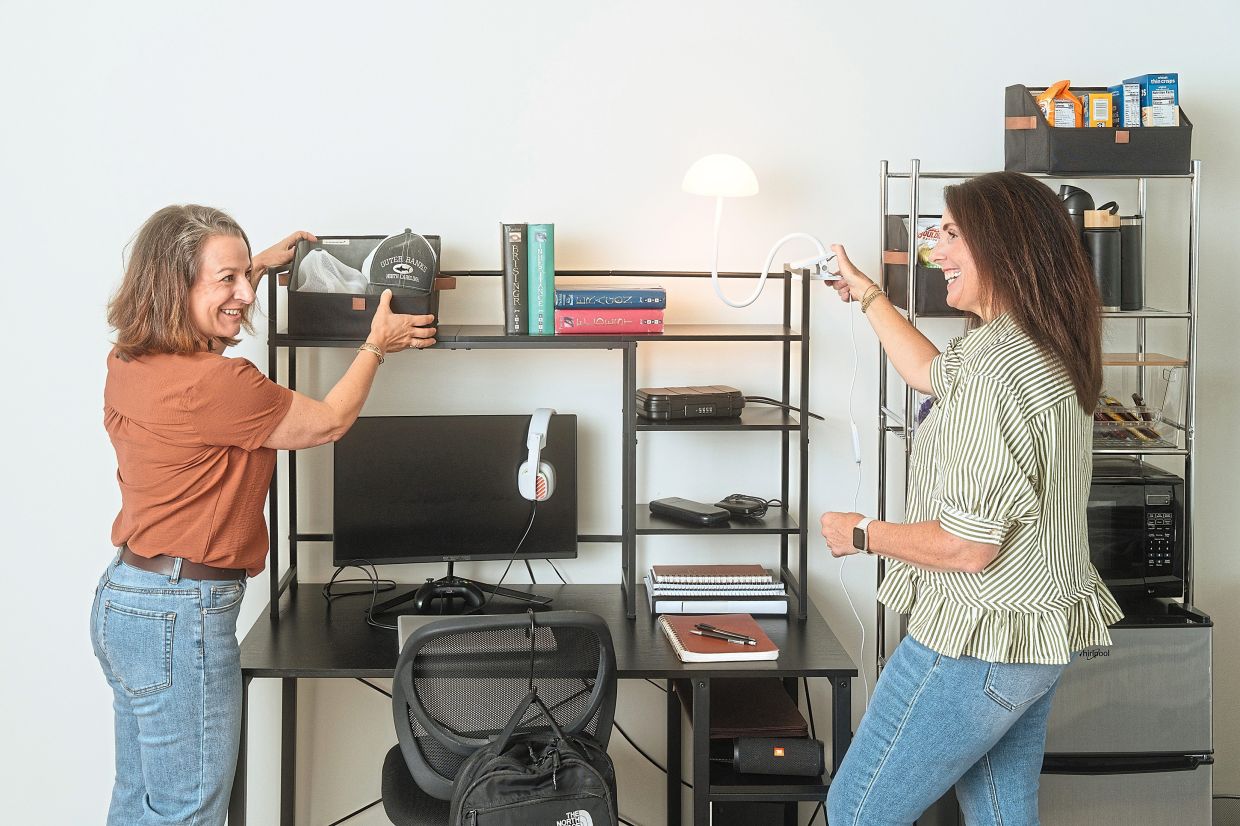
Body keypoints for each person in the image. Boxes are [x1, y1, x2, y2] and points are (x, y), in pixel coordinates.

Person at [90, 205, 435, 826]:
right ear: (174, 285)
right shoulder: (220, 385)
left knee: (138, 803)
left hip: (126, 602)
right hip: (181, 617)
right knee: (188, 812)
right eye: (226, 280)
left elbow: (192, 319)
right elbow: (329, 421)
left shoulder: (128, 360)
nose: (246, 296)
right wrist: (376, 346)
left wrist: (250, 266)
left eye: (242, 277)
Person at [820, 172, 1123, 825]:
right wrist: (868, 294)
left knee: (856, 811)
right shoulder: (1035, 345)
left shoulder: (997, 374)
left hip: (973, 642)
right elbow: (929, 372)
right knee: (1000, 814)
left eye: (952, 234)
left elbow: (967, 547)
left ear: (1004, 247)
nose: (935, 250)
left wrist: (861, 533)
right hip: (1029, 644)